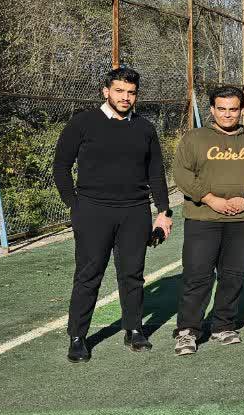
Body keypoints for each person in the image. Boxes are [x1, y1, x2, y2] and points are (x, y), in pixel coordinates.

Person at [53, 66, 172, 362]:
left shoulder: (145, 128)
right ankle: (78, 337)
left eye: (131, 92)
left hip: (135, 211)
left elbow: (156, 172)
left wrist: (164, 211)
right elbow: (61, 166)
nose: (125, 97)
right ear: (106, 91)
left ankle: (134, 330)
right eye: (119, 91)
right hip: (92, 211)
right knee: (88, 275)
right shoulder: (83, 123)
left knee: (132, 274)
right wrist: (74, 205)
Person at [171, 86, 244, 355]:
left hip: (241, 220)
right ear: (212, 110)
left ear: (242, 110)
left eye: (233, 109)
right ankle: (188, 330)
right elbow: (182, 174)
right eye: (222, 109)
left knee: (233, 275)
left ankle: (223, 325)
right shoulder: (195, 138)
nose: (228, 114)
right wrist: (210, 199)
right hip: (203, 218)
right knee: (197, 276)